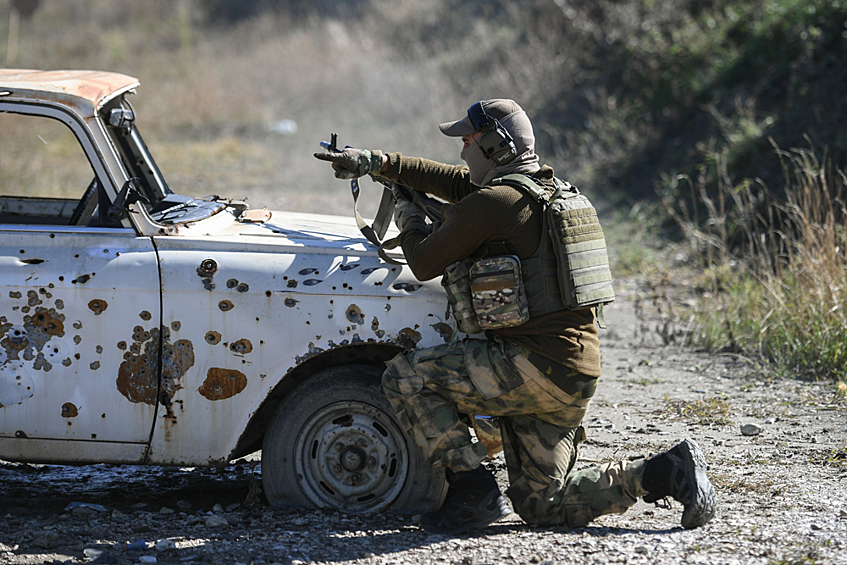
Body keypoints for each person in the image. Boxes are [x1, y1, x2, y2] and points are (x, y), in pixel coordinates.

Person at [314, 99, 716, 534]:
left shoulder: (497, 202)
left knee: (405, 378)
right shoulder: (542, 191)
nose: (462, 151)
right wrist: (379, 163)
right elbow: (453, 181)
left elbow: (425, 261)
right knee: (543, 506)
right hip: (573, 374)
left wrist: (410, 216)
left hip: (531, 367)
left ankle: (471, 492)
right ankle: (665, 472)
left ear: (495, 147)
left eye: (468, 141)